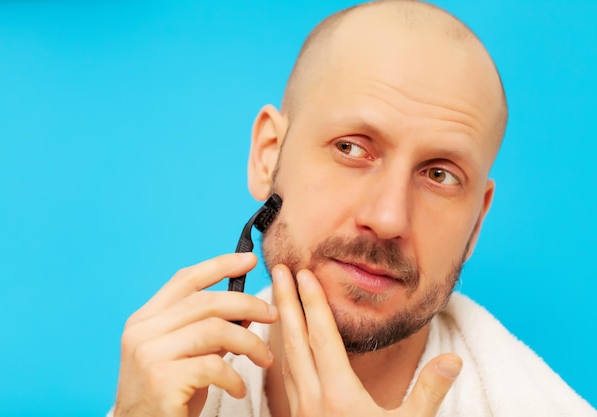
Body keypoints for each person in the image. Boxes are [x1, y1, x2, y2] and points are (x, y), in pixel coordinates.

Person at [110, 1, 596, 416]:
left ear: (476, 224)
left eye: (439, 175)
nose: (388, 219)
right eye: (351, 148)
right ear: (268, 156)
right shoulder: (166, 395)